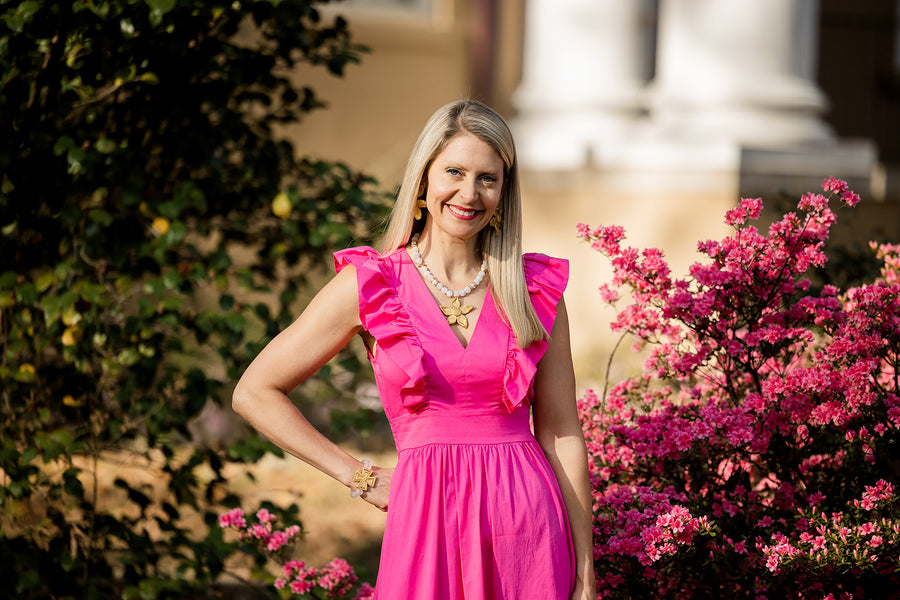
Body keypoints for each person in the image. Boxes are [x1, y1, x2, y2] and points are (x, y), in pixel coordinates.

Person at [232, 99, 595, 599]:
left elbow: (562, 434)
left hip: (528, 528)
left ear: (504, 192)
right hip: (425, 524)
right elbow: (255, 391)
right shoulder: (373, 285)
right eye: (454, 171)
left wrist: (585, 572)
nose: (469, 193)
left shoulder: (533, 290)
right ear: (424, 179)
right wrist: (358, 476)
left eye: (488, 178)